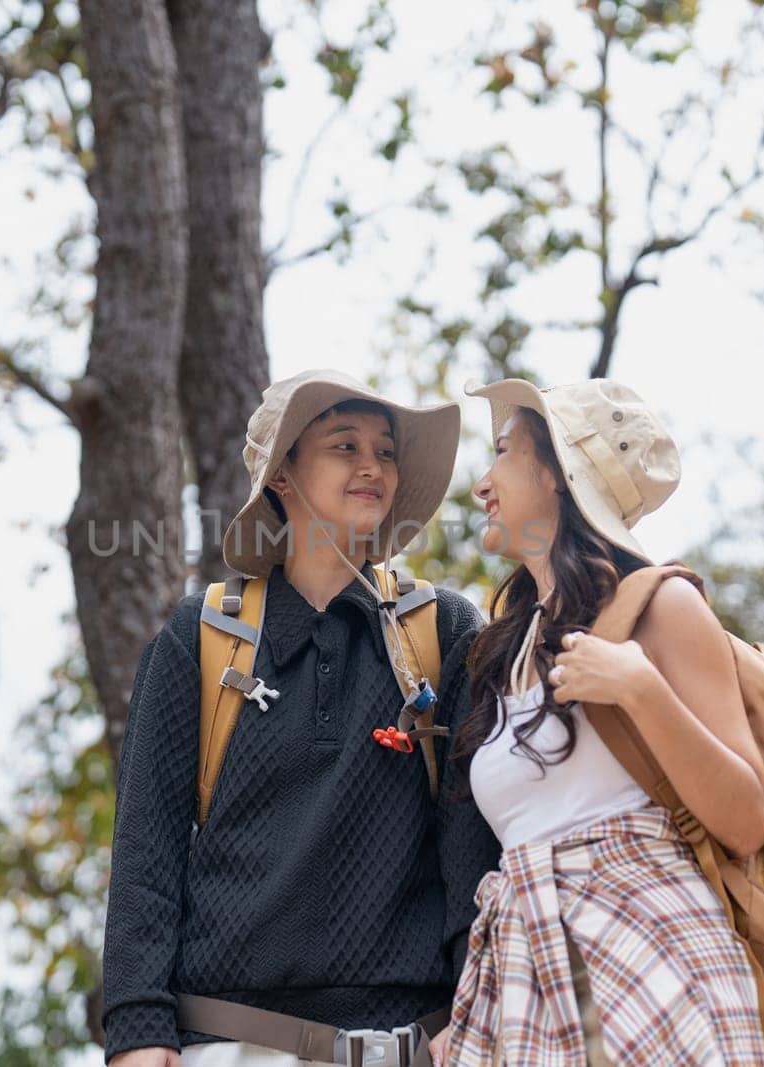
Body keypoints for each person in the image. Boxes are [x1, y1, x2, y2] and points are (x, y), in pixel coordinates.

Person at [102, 369, 503, 1067]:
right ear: (283, 474)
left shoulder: (445, 632)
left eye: (385, 450)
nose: (373, 465)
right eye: (344, 445)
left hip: (413, 1046)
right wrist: (137, 1027)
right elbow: (147, 844)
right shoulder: (200, 635)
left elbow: (469, 846)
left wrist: (474, 1005)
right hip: (226, 1043)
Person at [430, 377, 764, 1065]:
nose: (481, 483)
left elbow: (746, 820)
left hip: (654, 975)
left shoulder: (662, 606)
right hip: (527, 990)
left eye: (502, 451)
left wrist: (643, 689)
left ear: (557, 472)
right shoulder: (503, 645)